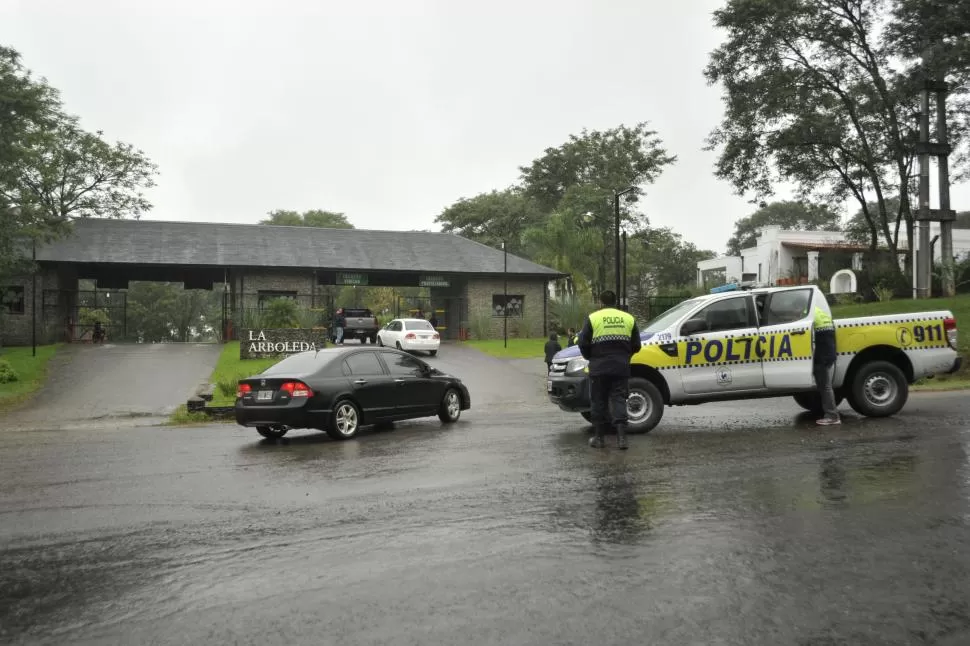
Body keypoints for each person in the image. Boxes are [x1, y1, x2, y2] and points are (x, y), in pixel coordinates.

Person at [578, 290, 641, 450]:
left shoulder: (593, 318)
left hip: (599, 368)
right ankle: (622, 439)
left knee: (598, 401)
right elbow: (637, 345)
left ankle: (599, 438)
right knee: (618, 399)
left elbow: (583, 343)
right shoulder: (628, 319)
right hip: (620, 368)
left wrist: (591, 358)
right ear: (616, 302)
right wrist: (625, 357)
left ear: (601, 302)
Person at [812, 304, 839, 425]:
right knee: (824, 386)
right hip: (829, 353)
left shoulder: (808, 313)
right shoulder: (817, 311)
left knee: (825, 387)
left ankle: (832, 416)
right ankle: (829, 413)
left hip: (822, 356)